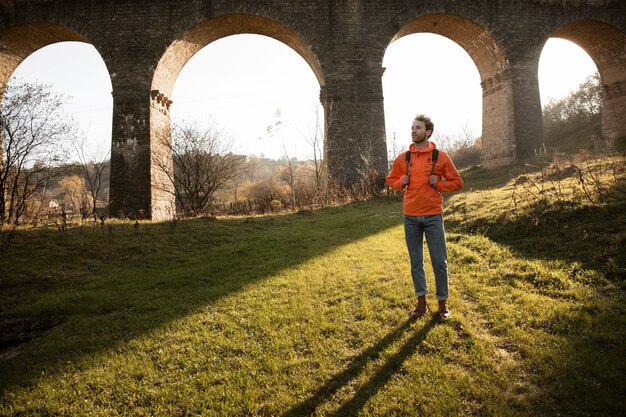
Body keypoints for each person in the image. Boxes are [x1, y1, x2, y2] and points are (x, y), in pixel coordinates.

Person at [386, 115, 464, 320]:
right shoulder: (404, 158)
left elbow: (457, 182)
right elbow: (390, 179)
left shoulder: (441, 157)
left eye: (418, 128)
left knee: (439, 261)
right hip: (410, 216)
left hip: (433, 215)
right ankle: (421, 304)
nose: (413, 131)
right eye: (412, 127)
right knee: (416, 262)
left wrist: (438, 184)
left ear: (428, 132)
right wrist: (400, 182)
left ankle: (443, 304)